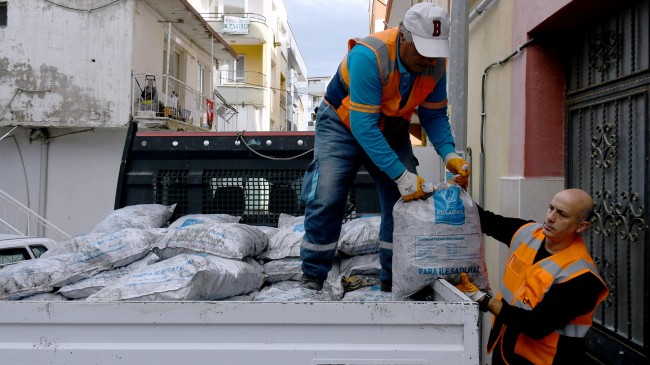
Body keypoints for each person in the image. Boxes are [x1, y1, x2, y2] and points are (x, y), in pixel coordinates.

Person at [299, 2, 470, 292]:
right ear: (403, 36)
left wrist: (449, 153)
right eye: (423, 50)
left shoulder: (434, 65)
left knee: (402, 203)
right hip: (342, 124)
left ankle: (393, 278)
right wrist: (402, 176)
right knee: (327, 194)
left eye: (434, 52)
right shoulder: (369, 55)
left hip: (391, 125)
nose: (428, 60)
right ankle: (313, 274)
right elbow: (364, 128)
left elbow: (434, 115)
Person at [455, 189, 609, 364]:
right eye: (551, 208)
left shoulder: (582, 277)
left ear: (581, 226)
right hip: (503, 349)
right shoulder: (527, 233)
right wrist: (457, 194)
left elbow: (536, 325)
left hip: (543, 360)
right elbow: (486, 220)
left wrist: (481, 298)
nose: (550, 217)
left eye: (562, 215)